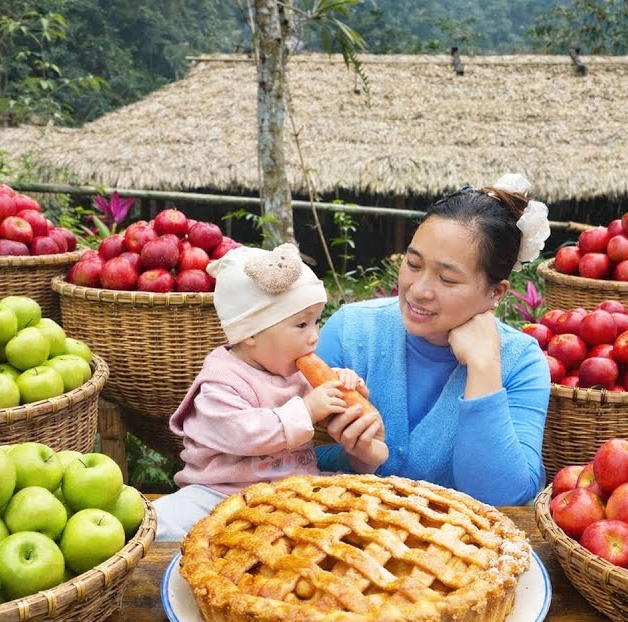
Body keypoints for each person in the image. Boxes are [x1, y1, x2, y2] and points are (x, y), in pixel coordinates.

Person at [315, 173, 552, 506]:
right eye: (413, 264)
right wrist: (357, 460)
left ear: (494, 293)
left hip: (461, 552)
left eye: (448, 279)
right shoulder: (351, 332)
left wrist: (484, 368)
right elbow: (288, 453)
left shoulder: (521, 363)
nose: (419, 290)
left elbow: (504, 497)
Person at [153, 244, 388, 541]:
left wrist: (343, 385)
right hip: (220, 494)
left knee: (360, 511)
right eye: (301, 324)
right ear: (250, 332)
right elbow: (241, 434)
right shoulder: (220, 382)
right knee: (162, 521)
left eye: (317, 320)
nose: (315, 335)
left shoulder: (292, 370)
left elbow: (329, 410)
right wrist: (306, 411)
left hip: (293, 492)